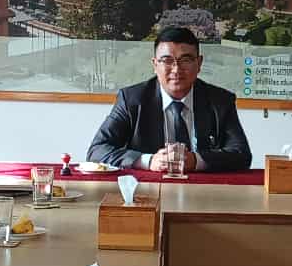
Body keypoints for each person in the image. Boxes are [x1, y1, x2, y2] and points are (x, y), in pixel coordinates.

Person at [87, 26, 252, 173]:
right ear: (155, 65)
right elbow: (97, 151)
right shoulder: (132, 100)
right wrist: (148, 161)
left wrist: (196, 160)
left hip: (203, 192)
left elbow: (241, 154)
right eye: (167, 61)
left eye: (185, 60)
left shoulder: (220, 101)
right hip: (147, 191)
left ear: (199, 63)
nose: (176, 69)